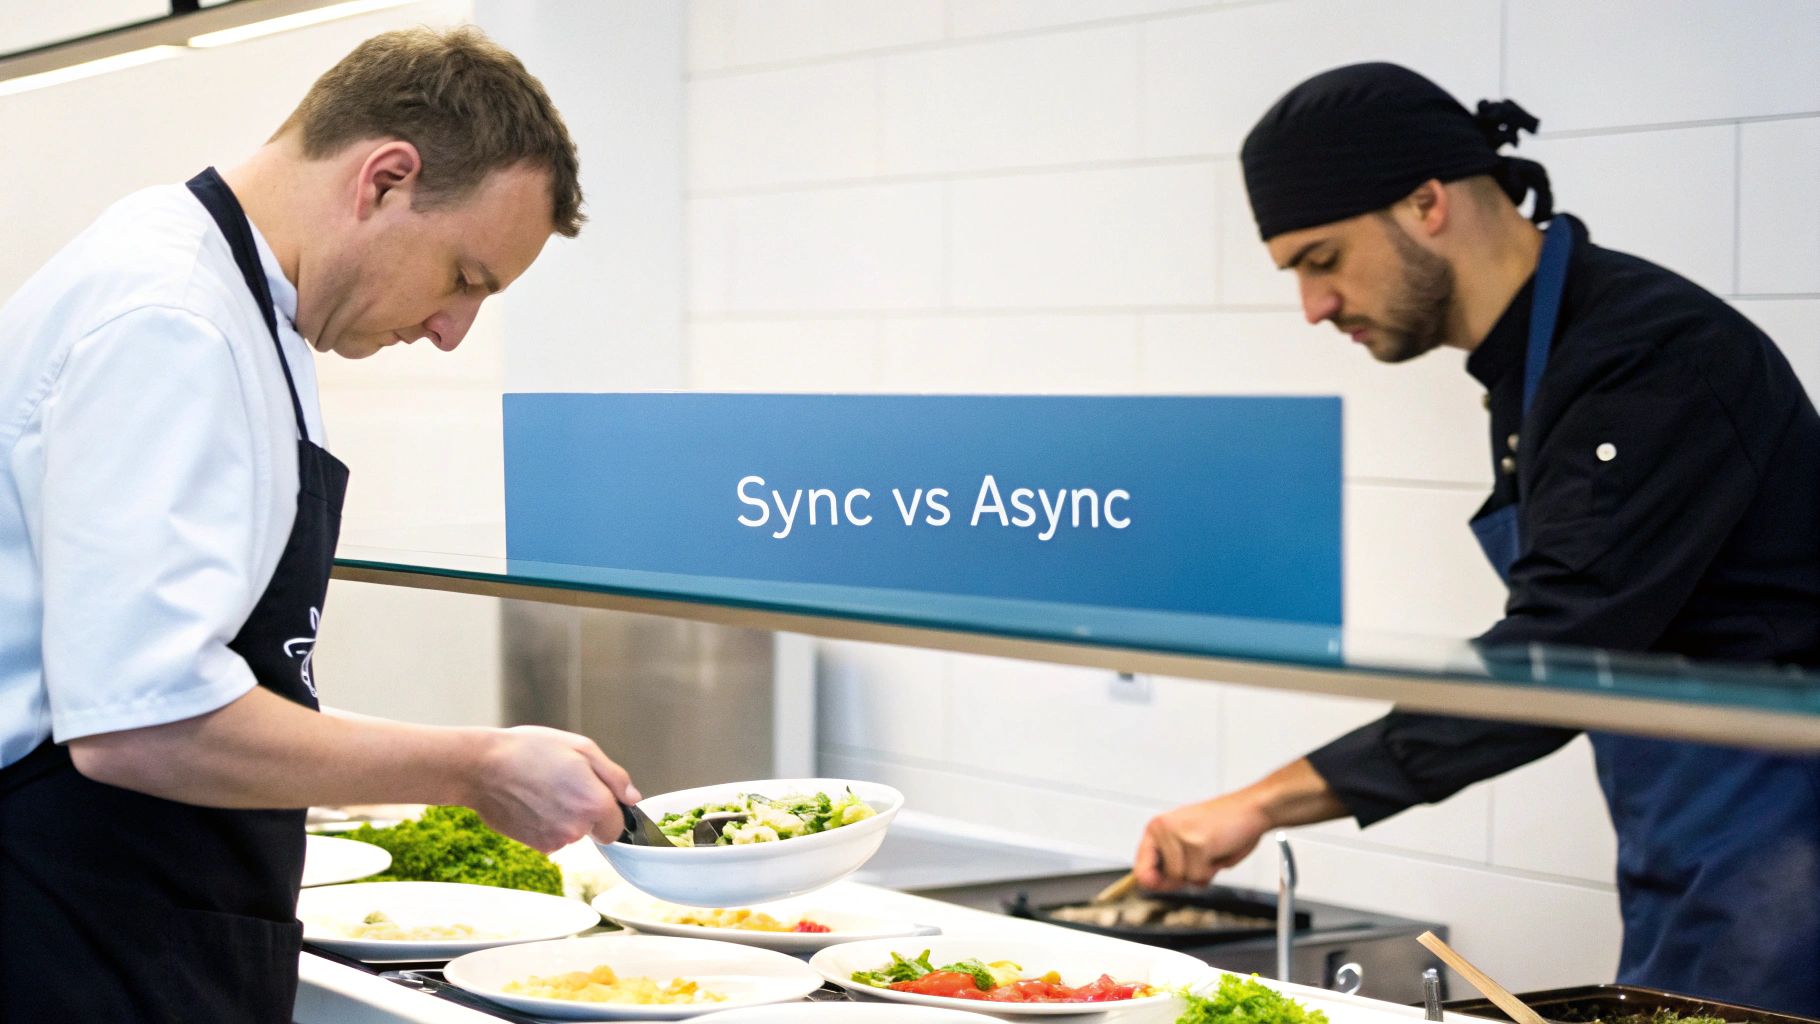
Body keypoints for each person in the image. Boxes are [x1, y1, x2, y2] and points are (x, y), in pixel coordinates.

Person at [1135, 63, 1820, 1014]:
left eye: (1321, 259)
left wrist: (1260, 803)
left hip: (1786, 848)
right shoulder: (1543, 368)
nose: (1313, 307)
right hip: (1692, 840)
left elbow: (1553, 660)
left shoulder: (1645, 357)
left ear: (1426, 203)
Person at [0, 27, 640, 1021]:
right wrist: (472, 767)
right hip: (69, 926)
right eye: (465, 277)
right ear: (382, 180)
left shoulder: (237, 306)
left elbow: (189, 677)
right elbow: (142, 723)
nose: (450, 330)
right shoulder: (172, 318)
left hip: (140, 912)